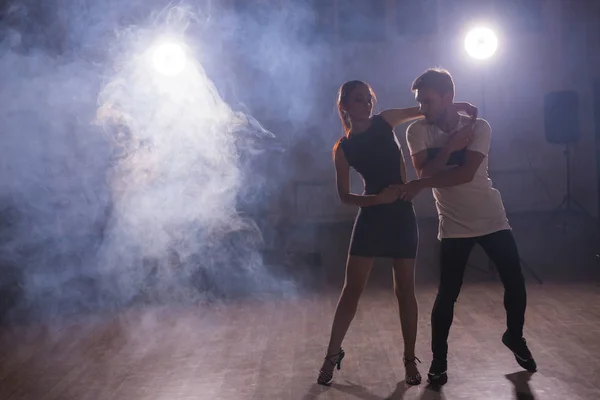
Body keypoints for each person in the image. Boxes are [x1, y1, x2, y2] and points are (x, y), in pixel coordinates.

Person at [317, 80, 477, 386]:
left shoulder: (386, 120)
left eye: (368, 99)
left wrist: (456, 106)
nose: (366, 104)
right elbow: (345, 197)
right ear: (345, 107)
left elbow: (424, 110)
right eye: (358, 100)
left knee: (405, 290)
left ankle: (408, 359)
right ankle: (331, 354)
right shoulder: (343, 148)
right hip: (371, 216)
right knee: (352, 290)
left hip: (402, 215)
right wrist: (376, 200)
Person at [400, 68, 537, 386]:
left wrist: (424, 182)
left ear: (448, 97)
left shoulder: (480, 127)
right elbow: (424, 172)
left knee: (515, 283)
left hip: (492, 219)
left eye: (429, 102)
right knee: (447, 294)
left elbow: (464, 175)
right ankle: (438, 362)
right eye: (421, 103)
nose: (423, 109)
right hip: (453, 225)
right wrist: (449, 148)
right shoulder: (417, 132)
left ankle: (514, 336)